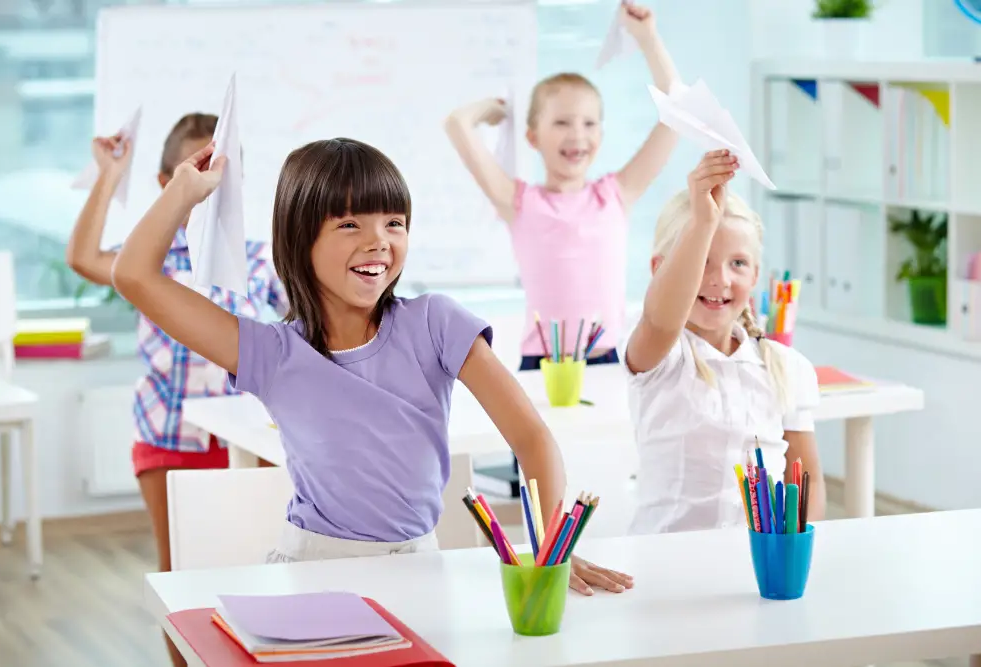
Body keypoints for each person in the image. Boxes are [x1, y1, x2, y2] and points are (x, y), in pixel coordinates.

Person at [110, 136, 634, 599]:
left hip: (420, 567)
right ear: (299, 238)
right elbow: (133, 275)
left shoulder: (436, 323)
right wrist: (182, 191)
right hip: (313, 572)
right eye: (349, 224)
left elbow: (533, 439)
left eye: (394, 222)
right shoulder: (271, 353)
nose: (378, 240)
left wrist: (550, 547)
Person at [65, 113, 286, 667]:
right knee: (183, 575)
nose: (214, 185)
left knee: (257, 569)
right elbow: (85, 259)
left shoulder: (261, 258)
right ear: (170, 184)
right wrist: (109, 175)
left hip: (251, 441)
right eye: (200, 170)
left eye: (225, 173)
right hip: (169, 435)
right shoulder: (152, 257)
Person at [444, 3, 681, 371]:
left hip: (606, 359)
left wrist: (648, 39)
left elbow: (676, 115)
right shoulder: (518, 202)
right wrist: (491, 109)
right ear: (533, 136)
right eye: (562, 122)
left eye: (589, 123)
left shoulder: (615, 195)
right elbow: (457, 124)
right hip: (541, 364)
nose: (577, 135)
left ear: (601, 135)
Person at [622, 149, 826, 535]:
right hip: (666, 566)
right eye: (702, 261)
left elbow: (807, 483)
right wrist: (702, 222)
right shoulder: (661, 355)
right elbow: (661, 317)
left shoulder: (785, 366)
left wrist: (794, 555)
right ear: (659, 271)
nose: (720, 280)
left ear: (755, 275)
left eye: (737, 263)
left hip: (754, 566)